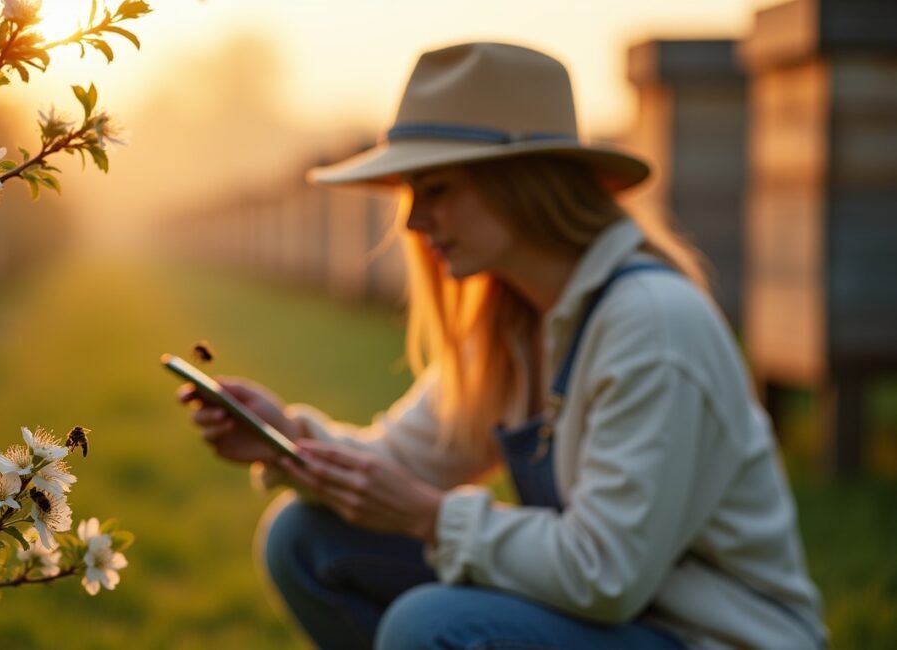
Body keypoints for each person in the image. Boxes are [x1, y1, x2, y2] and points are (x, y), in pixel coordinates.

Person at [175, 41, 826, 649]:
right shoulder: (515, 322)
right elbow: (409, 459)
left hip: (705, 635)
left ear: (525, 183)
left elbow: (606, 573)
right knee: (305, 539)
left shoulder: (651, 323)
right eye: (410, 194)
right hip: (608, 619)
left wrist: (433, 518)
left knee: (430, 627)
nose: (412, 221)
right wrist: (284, 438)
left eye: (438, 190)